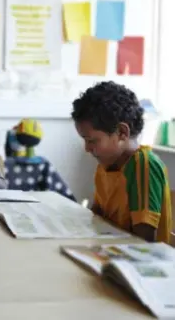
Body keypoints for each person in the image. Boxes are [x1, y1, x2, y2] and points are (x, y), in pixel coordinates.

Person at [72, 81, 172, 243]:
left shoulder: (143, 166)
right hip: (109, 250)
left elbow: (143, 241)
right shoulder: (106, 166)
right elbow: (97, 217)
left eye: (91, 140)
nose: (87, 149)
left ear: (121, 132)